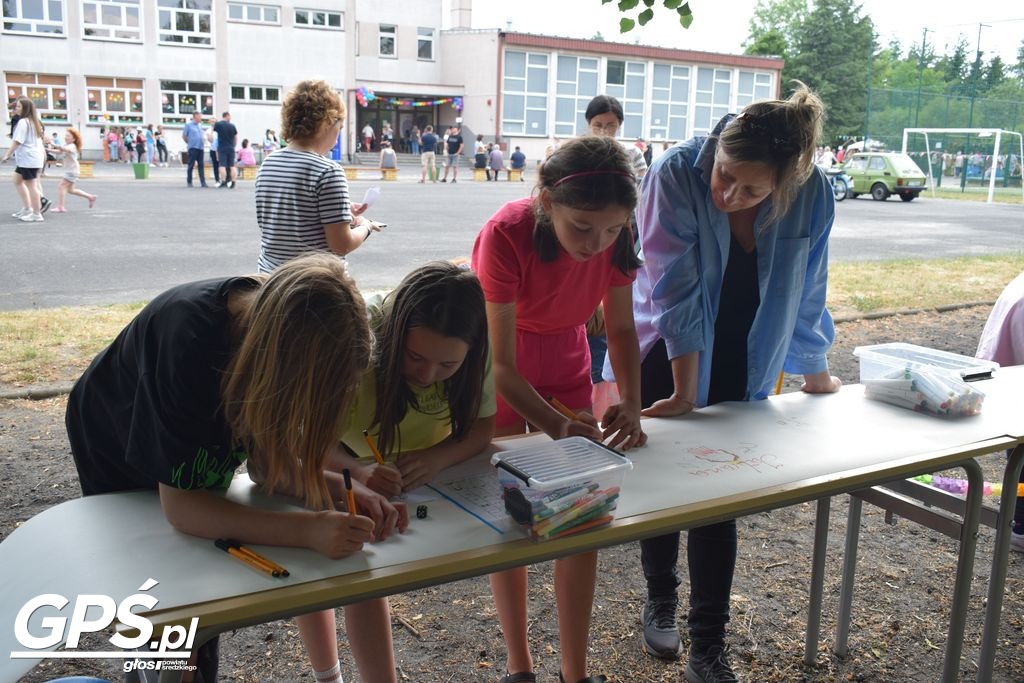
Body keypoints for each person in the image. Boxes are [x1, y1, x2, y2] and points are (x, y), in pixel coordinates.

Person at [65, 253, 408, 683]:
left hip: (186, 446)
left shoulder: (279, 328)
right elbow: (184, 509)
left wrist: (341, 488)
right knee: (162, 600)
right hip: (116, 446)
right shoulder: (189, 342)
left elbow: (268, 469)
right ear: (280, 366)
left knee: (197, 603)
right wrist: (310, 530)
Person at [624, 83, 840, 682]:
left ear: (786, 177)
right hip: (668, 352)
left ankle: (707, 645)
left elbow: (809, 285)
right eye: (724, 176)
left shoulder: (814, 191)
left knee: (718, 501)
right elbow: (674, 286)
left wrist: (814, 369)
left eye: (751, 188)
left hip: (749, 351)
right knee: (668, 486)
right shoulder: (674, 173)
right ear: (716, 148)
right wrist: (687, 390)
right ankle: (660, 597)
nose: (729, 194)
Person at [472, 135, 647, 683]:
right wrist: (559, 427)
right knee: (513, 513)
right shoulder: (506, 233)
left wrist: (631, 403)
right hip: (506, 361)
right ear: (547, 201)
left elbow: (620, 327)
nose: (598, 244)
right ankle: (519, 664)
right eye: (583, 228)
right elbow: (502, 367)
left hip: (569, 356)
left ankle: (575, 671)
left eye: (614, 230)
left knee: (581, 511)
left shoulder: (616, 236)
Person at [335, 261, 495, 499]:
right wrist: (357, 471)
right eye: (414, 356)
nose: (427, 375)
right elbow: (311, 443)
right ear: (395, 332)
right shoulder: (359, 334)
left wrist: (438, 458)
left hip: (431, 461)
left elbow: (482, 427)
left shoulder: (475, 343)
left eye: (447, 365)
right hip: (348, 457)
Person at [254, 79, 382, 273]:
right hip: (315, 286)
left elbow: (288, 215)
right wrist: (366, 227)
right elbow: (341, 245)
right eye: (339, 127)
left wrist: (341, 209)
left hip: (271, 281)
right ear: (328, 123)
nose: (337, 136)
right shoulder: (328, 171)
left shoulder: (269, 163)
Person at [976, 271, 1024, 552]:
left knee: (1019, 454)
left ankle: (1018, 522)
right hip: (1011, 382)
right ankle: (1020, 524)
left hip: (1006, 379)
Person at [2, 96, 46, 222]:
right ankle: (27, 208)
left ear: (25, 108)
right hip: (29, 158)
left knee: (32, 186)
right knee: (17, 180)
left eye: (19, 106)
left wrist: (7, 154)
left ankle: (37, 214)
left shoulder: (23, 122)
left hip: (29, 159)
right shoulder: (33, 121)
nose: (16, 108)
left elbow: (17, 142)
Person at [584, 95, 647, 181]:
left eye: (610, 126)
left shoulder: (633, 153)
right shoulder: (576, 153)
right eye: (598, 125)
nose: (603, 131)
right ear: (589, 123)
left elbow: (642, 187)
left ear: (619, 124)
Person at [50, 128, 97, 212]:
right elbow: (59, 151)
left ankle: (61, 207)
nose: (66, 137)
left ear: (74, 139)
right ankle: (90, 197)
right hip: (72, 171)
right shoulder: (67, 146)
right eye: (65, 135)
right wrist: (47, 150)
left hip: (72, 171)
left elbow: (63, 149)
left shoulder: (72, 146)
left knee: (61, 186)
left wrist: (52, 143)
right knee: (71, 190)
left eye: (68, 136)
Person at [182, 112, 207, 187]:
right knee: (191, 164)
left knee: (201, 165)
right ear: (195, 116)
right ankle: (189, 181)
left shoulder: (200, 125)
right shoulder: (188, 125)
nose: (201, 118)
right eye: (199, 116)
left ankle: (203, 182)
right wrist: (189, 143)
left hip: (200, 147)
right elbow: (184, 136)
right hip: (193, 147)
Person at [214, 111, 239, 188]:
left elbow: (214, 132)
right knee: (232, 165)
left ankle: (223, 181)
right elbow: (235, 137)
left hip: (222, 147)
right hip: (231, 147)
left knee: (222, 165)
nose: (230, 118)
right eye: (230, 116)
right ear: (227, 116)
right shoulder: (232, 126)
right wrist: (233, 145)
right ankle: (233, 182)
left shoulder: (218, 124)